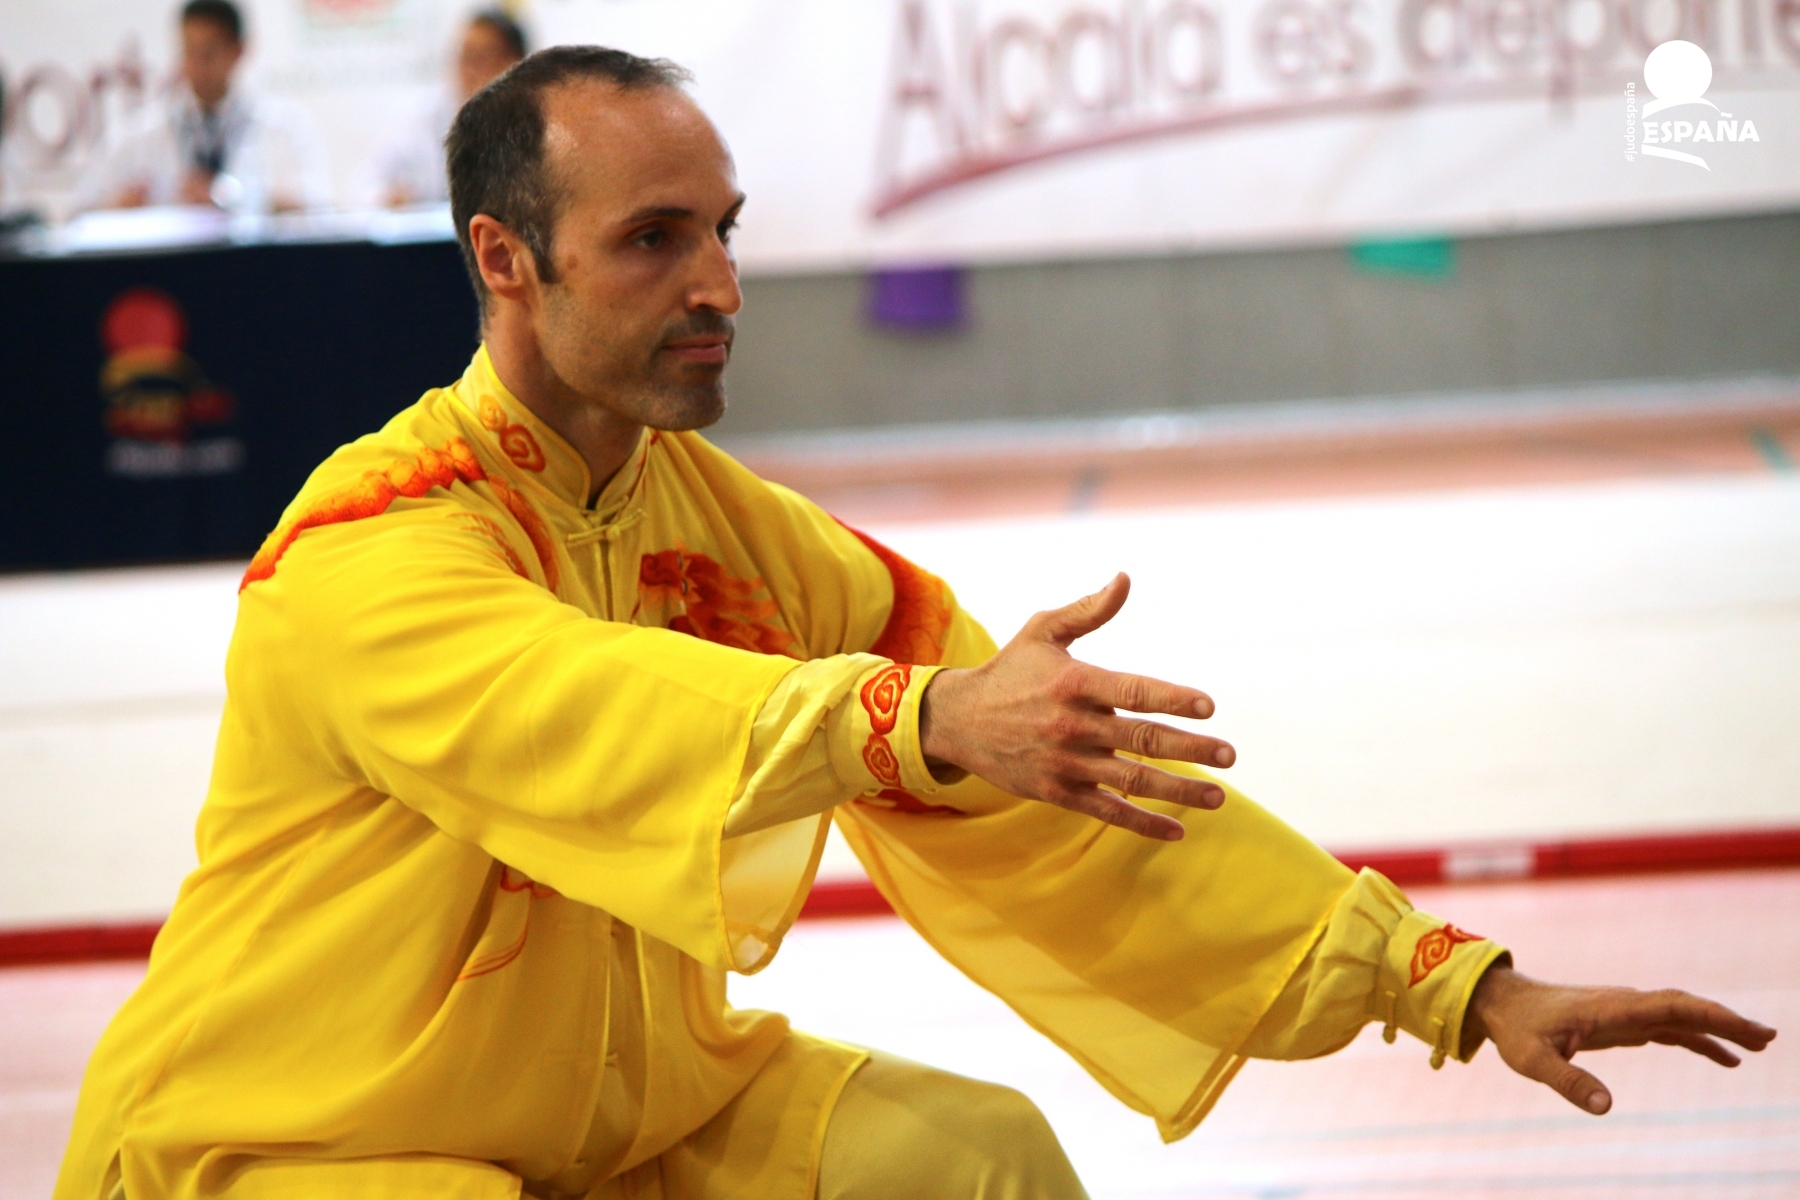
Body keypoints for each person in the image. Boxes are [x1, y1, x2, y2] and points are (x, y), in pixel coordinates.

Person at [56, 46, 1775, 1200]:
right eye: (653, 241)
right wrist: (916, 720)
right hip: (295, 1148)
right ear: (506, 261)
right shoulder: (366, 548)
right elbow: (589, 706)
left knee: (974, 1161)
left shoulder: (726, 526)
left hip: (624, 1127)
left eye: (723, 233)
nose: (721, 287)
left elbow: (1070, 795)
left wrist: (1452, 984)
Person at [80, 0, 331, 215]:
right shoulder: (141, 132)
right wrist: (120, 207)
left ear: (238, 51)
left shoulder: (283, 126)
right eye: (189, 52)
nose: (197, 66)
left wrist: (231, 200)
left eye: (208, 53)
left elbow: (315, 208)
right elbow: (83, 211)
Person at [375, 9, 528, 208]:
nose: (467, 70)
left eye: (479, 58)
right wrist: (391, 198)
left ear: (514, 63)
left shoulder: (535, 121)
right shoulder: (424, 118)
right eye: (463, 57)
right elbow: (368, 187)